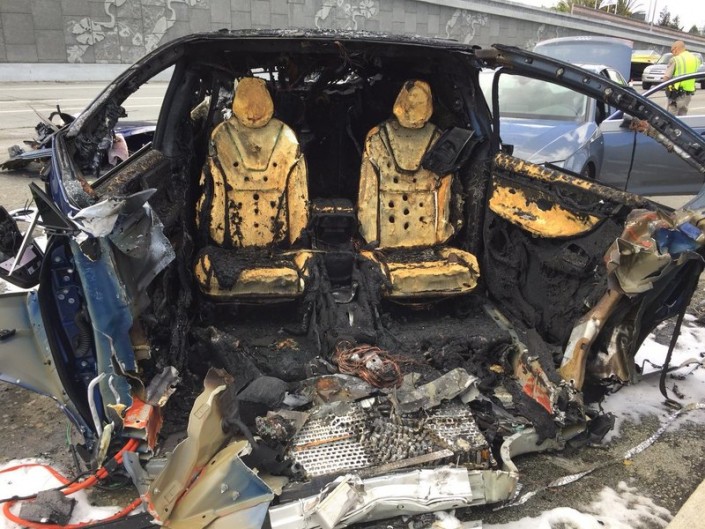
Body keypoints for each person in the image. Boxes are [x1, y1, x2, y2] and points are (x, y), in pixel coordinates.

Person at [662, 40, 700, 116]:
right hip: (688, 94)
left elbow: (666, 78)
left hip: (676, 95)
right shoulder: (695, 59)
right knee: (682, 116)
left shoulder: (676, 59)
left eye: (672, 51)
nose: (672, 53)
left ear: (676, 49)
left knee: (670, 117)